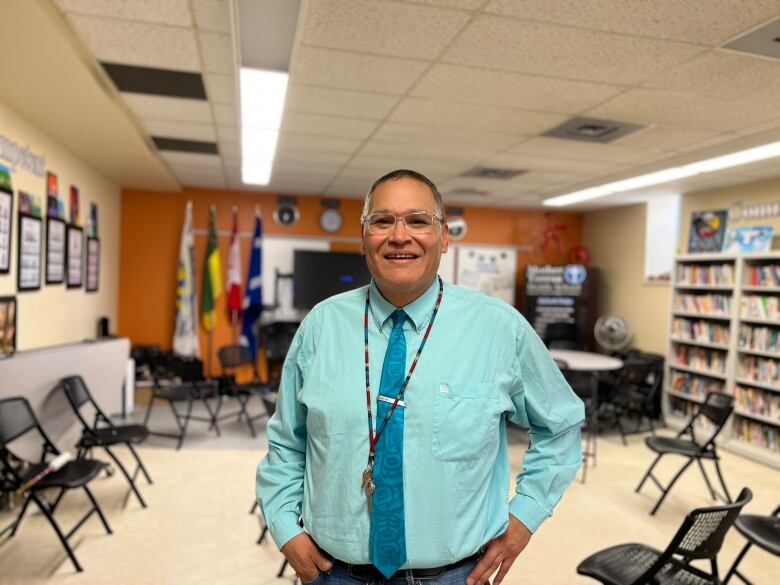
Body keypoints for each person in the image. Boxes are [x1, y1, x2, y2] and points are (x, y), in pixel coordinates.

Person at [257, 169, 585, 585]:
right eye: (381, 221)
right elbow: (287, 441)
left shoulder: (500, 329)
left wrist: (525, 516)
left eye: (417, 220)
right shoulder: (320, 326)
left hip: (455, 575)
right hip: (333, 572)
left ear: (444, 236)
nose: (399, 235)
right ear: (363, 238)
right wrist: (285, 526)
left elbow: (561, 424)